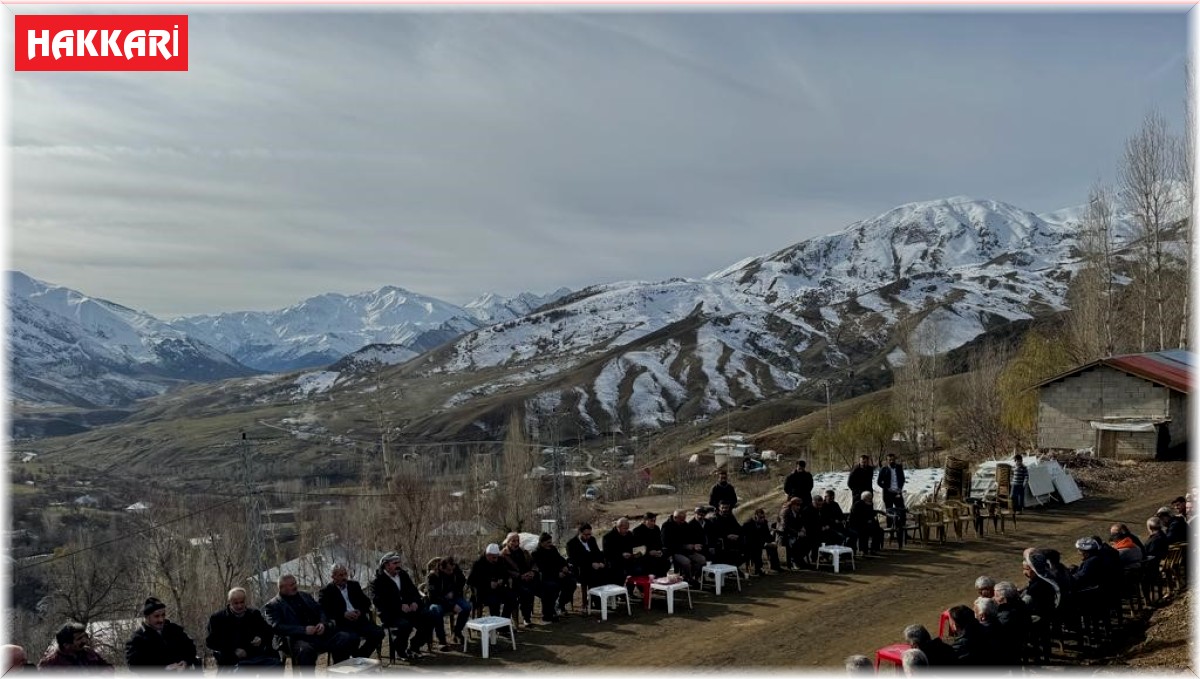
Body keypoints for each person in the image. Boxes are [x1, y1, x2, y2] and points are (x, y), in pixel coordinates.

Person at [263, 575, 357, 671]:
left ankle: (338, 672)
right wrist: (304, 630)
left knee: (344, 637)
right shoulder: (273, 605)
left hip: (318, 634)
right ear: (282, 588)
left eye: (295, 583)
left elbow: (320, 610)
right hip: (294, 639)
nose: (295, 586)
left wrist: (322, 624)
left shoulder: (305, 595)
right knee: (305, 650)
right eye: (291, 585)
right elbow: (276, 627)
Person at [372, 552, 434, 660]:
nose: (398, 565)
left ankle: (414, 646)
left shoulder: (403, 574)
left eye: (399, 562)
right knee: (405, 625)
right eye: (395, 563)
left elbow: (414, 591)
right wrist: (399, 606)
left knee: (429, 617)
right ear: (386, 565)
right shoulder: (378, 581)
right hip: (391, 613)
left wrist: (415, 602)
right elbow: (379, 601)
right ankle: (401, 651)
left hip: (409, 610)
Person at [205, 587, 284, 669]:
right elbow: (211, 642)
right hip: (232, 659)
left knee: (276, 665)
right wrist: (232, 650)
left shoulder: (254, 614)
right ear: (230, 602)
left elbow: (268, 631)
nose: (240, 606)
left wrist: (261, 638)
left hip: (256, 655)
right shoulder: (218, 618)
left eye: (242, 602)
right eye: (236, 603)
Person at [318, 564, 384, 660]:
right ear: (333, 577)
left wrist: (360, 611)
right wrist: (343, 614)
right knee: (353, 638)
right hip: (342, 624)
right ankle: (351, 662)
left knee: (378, 632)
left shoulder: (354, 585)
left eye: (345, 574)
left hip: (359, 620)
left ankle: (360, 657)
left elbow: (366, 602)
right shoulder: (326, 591)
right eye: (341, 575)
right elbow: (325, 610)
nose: (344, 577)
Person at [125, 597, 200, 673]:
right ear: (147, 617)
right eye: (156, 616)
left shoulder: (174, 630)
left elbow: (191, 648)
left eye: (163, 615)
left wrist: (186, 661)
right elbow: (134, 665)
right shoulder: (137, 638)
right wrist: (164, 669)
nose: (161, 620)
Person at [426, 556, 471, 649]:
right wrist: (451, 605)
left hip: (453, 597)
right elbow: (433, 597)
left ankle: (457, 632)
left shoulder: (455, 570)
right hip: (438, 601)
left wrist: (454, 592)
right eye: (448, 570)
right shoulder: (433, 576)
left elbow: (462, 581)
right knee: (436, 610)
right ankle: (441, 640)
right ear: (441, 568)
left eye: (452, 569)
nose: (451, 572)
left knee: (467, 607)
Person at [469, 543, 518, 620]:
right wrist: (488, 584)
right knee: (495, 601)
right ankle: (496, 623)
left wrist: (502, 580)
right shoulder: (478, 563)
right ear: (487, 555)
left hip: (498, 589)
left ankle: (503, 622)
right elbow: (471, 581)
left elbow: (505, 574)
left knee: (512, 597)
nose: (496, 559)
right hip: (483, 591)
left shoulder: (499, 560)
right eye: (494, 557)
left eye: (497, 557)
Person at [501, 532, 540, 626]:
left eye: (517, 541)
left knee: (537, 588)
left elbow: (533, 563)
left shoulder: (523, 551)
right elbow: (505, 571)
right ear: (508, 542)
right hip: (514, 581)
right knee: (526, 592)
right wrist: (519, 576)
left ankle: (528, 618)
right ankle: (525, 618)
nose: (516, 543)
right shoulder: (503, 555)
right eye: (513, 541)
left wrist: (532, 572)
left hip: (528, 577)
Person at [37, 624, 112, 672]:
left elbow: (109, 668)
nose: (85, 640)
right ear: (66, 645)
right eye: (79, 639)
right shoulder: (49, 664)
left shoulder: (90, 653)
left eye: (84, 636)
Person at [661, 508, 706, 583]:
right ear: (675, 518)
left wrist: (694, 545)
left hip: (687, 550)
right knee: (686, 562)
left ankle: (690, 576)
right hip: (674, 551)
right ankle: (689, 579)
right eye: (681, 520)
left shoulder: (684, 524)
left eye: (684, 519)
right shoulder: (667, 526)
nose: (683, 521)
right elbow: (666, 543)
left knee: (701, 559)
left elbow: (690, 537)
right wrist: (684, 546)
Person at [993, 581, 1030, 665]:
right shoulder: (1020, 604)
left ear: (1003, 598)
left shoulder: (1006, 615)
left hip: (1011, 646)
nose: (994, 598)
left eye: (996, 596)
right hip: (1021, 641)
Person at [566, 523, 610, 590]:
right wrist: (591, 564)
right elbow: (575, 560)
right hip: (582, 570)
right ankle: (595, 597)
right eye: (586, 535)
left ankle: (605, 596)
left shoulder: (592, 539)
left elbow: (597, 553)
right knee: (596, 576)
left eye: (589, 534)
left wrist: (601, 563)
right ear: (580, 533)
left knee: (609, 571)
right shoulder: (571, 544)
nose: (588, 537)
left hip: (595, 566)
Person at [1019, 548, 1061, 619]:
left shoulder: (1037, 585)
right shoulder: (1048, 576)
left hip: (1041, 617)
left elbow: (1024, 604)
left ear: (1034, 569)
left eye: (1026, 569)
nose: (1024, 572)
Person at [602, 518, 643, 586]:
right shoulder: (608, 537)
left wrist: (637, 553)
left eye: (627, 528)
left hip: (628, 561)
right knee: (621, 572)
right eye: (625, 528)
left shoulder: (629, 534)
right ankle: (619, 592)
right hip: (615, 563)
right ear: (618, 527)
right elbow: (607, 554)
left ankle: (630, 590)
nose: (627, 530)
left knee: (639, 569)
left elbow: (634, 547)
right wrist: (621, 555)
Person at [741, 507, 781, 576]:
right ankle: (758, 569)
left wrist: (772, 541)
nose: (762, 519)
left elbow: (767, 535)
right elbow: (750, 538)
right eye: (760, 517)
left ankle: (775, 566)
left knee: (773, 547)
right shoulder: (748, 524)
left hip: (760, 542)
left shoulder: (764, 522)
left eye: (763, 517)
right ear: (755, 516)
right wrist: (765, 543)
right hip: (749, 544)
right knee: (757, 548)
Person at [709, 501, 744, 567]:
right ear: (719, 508)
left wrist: (737, 535)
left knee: (748, 546)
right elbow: (714, 533)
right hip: (721, 542)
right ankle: (729, 567)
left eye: (726, 508)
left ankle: (734, 567)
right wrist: (727, 536)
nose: (724, 509)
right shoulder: (714, 519)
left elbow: (738, 528)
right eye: (723, 508)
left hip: (734, 540)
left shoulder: (731, 517)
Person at [849, 491, 883, 556]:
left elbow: (871, 514)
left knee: (879, 530)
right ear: (865, 498)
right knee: (864, 531)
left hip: (867, 524)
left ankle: (874, 549)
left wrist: (873, 518)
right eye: (869, 498)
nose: (871, 499)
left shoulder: (869, 504)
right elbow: (856, 517)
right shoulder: (857, 504)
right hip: (857, 525)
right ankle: (863, 551)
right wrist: (867, 520)